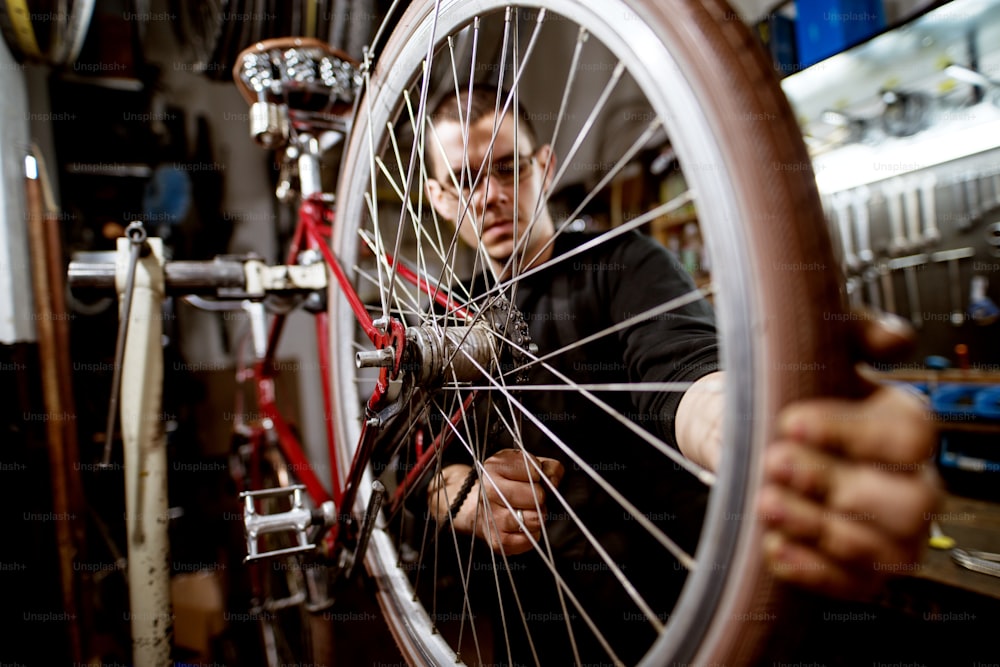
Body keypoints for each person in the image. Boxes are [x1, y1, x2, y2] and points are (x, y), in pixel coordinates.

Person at [414, 86, 939, 664]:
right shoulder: (443, 322)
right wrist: (461, 496)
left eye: (508, 167)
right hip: (541, 636)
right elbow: (421, 471)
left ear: (545, 166)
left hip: (684, 619)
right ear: (438, 198)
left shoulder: (625, 264)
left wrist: (764, 437)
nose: (488, 196)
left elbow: (688, 375)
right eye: (464, 180)